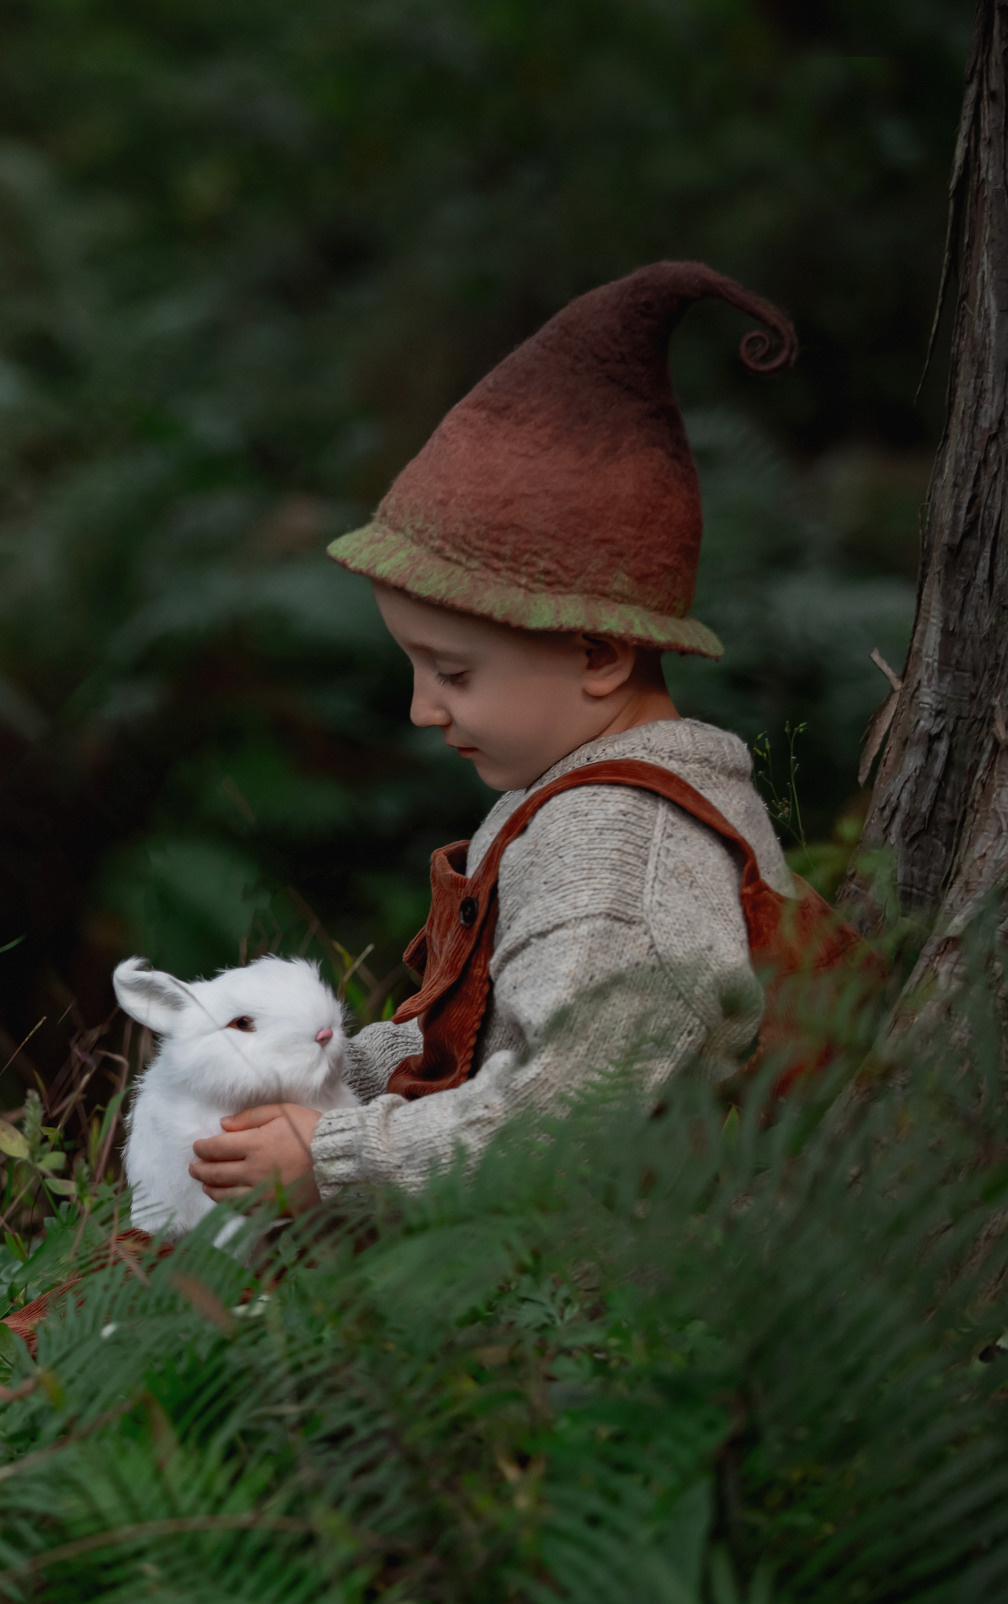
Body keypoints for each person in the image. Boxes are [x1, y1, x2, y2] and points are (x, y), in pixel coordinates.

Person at [189, 261, 805, 1209]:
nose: (421, 709)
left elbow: (564, 1124)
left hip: (604, 1300)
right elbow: (477, 1038)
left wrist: (335, 1156)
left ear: (599, 652)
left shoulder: (620, 853)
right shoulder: (562, 797)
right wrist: (319, 1080)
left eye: (454, 673)